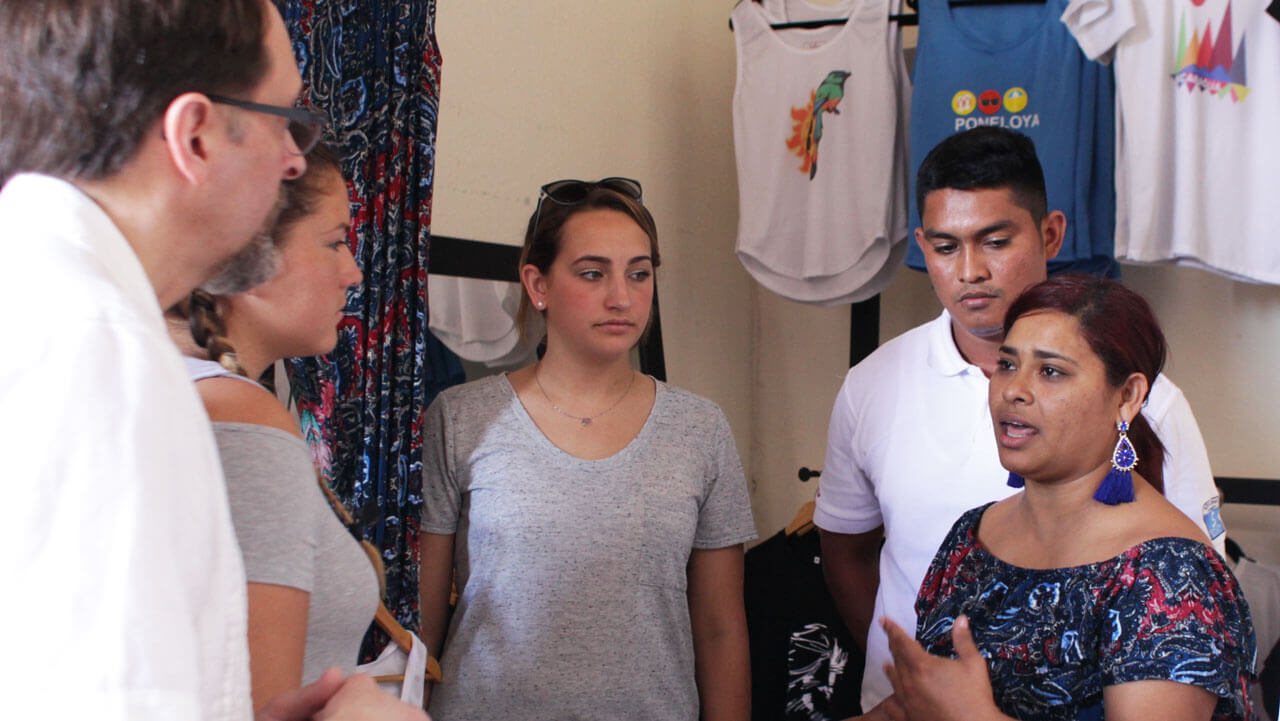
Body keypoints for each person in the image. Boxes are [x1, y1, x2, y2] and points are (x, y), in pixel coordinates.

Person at [0, 1, 424, 719]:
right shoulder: (101, 359)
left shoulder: (59, 308)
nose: (296, 157)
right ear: (194, 135)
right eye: (283, 117)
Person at [814, 127, 1225, 714]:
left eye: (995, 241)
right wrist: (911, 688)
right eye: (945, 246)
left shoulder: (1148, 408)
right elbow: (846, 551)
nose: (971, 271)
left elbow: (1190, 598)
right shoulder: (965, 526)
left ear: (1050, 233)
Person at [418, 177, 757, 721]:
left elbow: (720, 630)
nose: (621, 296)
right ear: (538, 284)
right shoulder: (461, 418)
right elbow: (423, 620)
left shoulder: (700, 428)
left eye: (639, 273)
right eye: (593, 273)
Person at [881, 274, 1255, 721]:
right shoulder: (971, 535)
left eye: (1051, 371)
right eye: (1007, 364)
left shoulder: (1168, 574)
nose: (1013, 390)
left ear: (1129, 396)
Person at [170, 143, 386, 712]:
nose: (353, 272)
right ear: (251, 255)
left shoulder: (176, 390)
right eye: (335, 242)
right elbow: (261, 705)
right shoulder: (241, 419)